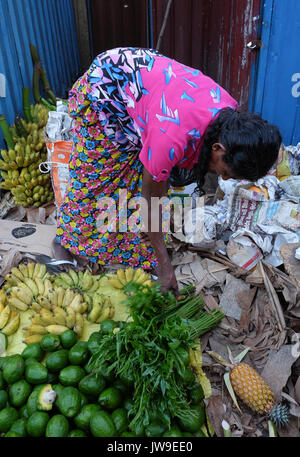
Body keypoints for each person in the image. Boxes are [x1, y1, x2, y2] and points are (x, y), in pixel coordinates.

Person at [54, 47, 282, 296]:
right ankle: (65, 241)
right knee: (95, 181)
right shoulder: (171, 140)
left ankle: (127, 241)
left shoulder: (229, 114)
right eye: (224, 171)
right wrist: (165, 265)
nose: (222, 177)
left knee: (129, 185)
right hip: (104, 91)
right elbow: (151, 200)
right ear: (218, 148)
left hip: (144, 95)